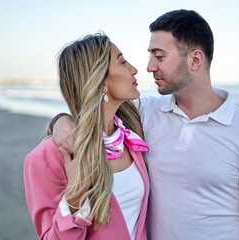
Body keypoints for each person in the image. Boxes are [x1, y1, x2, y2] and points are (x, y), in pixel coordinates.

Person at [50, 10, 239, 240]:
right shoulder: (143, 114)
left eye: (159, 57)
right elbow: (94, 108)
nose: (149, 67)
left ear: (195, 60)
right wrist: (61, 122)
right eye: (150, 56)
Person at [24, 33, 150, 240]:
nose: (134, 69)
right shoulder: (46, 157)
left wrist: (58, 119)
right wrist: (74, 198)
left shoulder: (132, 133)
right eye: (123, 62)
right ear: (101, 82)